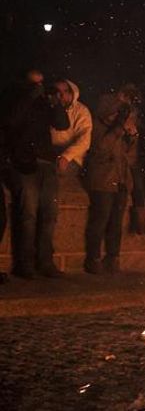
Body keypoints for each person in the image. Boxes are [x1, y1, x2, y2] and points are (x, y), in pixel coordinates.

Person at [0, 70, 71, 278]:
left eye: (41, 83)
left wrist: (56, 102)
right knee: (28, 214)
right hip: (23, 163)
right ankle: (25, 264)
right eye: (34, 83)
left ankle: (45, 262)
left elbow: (62, 124)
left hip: (46, 163)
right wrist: (29, 96)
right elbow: (11, 120)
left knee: (49, 214)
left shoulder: (44, 102)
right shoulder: (13, 98)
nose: (39, 87)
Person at [83, 89, 139, 274]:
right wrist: (118, 130)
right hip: (102, 180)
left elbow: (128, 155)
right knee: (100, 220)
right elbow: (100, 150)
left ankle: (113, 258)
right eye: (115, 111)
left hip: (120, 180)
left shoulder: (118, 128)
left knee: (116, 223)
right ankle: (93, 259)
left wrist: (131, 137)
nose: (116, 115)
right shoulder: (97, 127)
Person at [49, 79, 92, 175]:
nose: (61, 95)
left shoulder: (81, 111)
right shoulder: (48, 108)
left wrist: (66, 156)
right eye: (57, 92)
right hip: (50, 154)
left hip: (72, 157)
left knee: (53, 174)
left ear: (72, 92)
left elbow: (84, 140)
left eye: (65, 91)